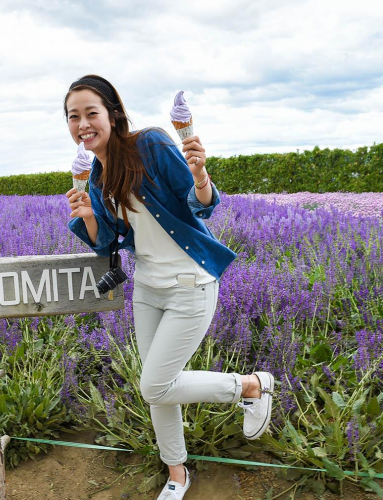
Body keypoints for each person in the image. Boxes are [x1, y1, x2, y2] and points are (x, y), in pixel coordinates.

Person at [64, 75, 275, 500]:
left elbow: (202, 205)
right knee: (159, 388)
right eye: (73, 116)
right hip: (148, 289)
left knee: (154, 385)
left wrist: (200, 175)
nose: (83, 123)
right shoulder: (97, 177)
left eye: (91, 113)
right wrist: (87, 214)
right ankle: (176, 474)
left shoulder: (152, 145)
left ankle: (250, 386)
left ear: (113, 114)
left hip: (189, 285)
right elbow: (107, 241)